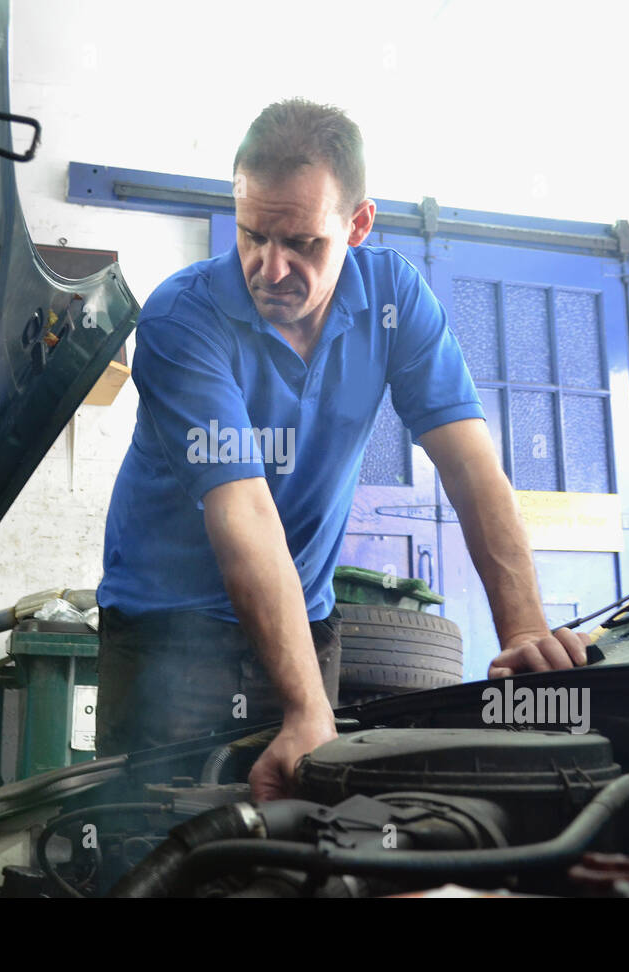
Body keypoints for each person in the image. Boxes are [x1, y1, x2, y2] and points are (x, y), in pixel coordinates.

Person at [94, 98, 589, 800]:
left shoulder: (396, 300)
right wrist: (304, 707)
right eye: (252, 235)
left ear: (357, 225)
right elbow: (243, 512)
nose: (270, 267)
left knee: (311, 841)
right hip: (166, 639)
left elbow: (471, 466)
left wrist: (525, 632)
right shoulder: (183, 318)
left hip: (308, 626)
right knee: (158, 844)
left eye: (302, 243)